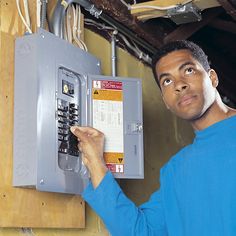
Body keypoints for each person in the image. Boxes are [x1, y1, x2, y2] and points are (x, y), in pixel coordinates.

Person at [70, 40, 236, 236]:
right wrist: (95, 162)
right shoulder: (175, 171)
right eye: (167, 81)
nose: (179, 85)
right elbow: (140, 231)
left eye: (189, 70)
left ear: (213, 78)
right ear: (165, 100)